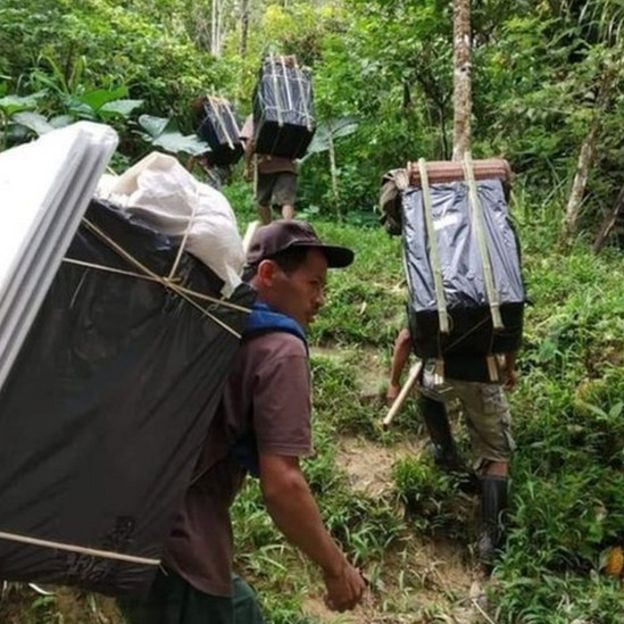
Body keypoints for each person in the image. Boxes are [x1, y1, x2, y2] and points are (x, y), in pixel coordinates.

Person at [121, 220, 366, 623]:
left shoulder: (213, 321)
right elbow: (282, 484)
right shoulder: (280, 348)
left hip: (130, 534)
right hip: (183, 552)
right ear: (268, 274)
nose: (321, 299)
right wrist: (336, 568)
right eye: (313, 284)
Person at [386, 326, 517, 567]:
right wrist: (509, 368)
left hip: (438, 375)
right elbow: (511, 334)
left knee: (425, 387)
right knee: (496, 452)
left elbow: (405, 338)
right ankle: (491, 541)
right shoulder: (496, 289)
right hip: (482, 376)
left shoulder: (431, 287)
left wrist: (394, 382)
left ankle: (444, 452)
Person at [240, 115, 298, 224]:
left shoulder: (256, 116)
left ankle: (268, 229)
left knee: (262, 201)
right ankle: (287, 231)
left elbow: (250, 142)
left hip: (265, 165)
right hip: (288, 165)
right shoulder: (290, 115)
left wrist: (247, 166)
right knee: (287, 201)